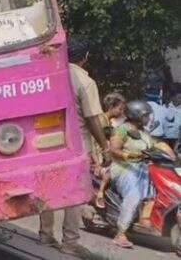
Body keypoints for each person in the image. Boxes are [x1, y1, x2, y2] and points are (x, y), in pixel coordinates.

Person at [38, 39, 106, 258]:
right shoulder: (85, 81)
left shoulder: (49, 75)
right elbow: (93, 119)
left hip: (48, 141)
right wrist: (104, 146)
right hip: (76, 145)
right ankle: (70, 241)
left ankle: (46, 234)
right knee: (74, 195)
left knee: (48, 188)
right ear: (85, 57)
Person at [108, 100, 176, 248]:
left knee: (155, 193)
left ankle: (144, 219)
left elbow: (154, 145)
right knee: (135, 194)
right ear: (136, 115)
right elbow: (114, 149)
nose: (148, 118)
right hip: (123, 168)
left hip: (142, 168)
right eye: (145, 115)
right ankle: (120, 234)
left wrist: (170, 153)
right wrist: (128, 155)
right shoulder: (122, 130)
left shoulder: (143, 133)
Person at [94, 92, 127, 208]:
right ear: (111, 107)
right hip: (99, 158)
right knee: (108, 174)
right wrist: (97, 163)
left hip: (107, 156)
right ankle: (100, 194)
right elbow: (94, 142)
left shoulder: (110, 122)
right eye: (120, 109)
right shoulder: (101, 120)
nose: (121, 112)